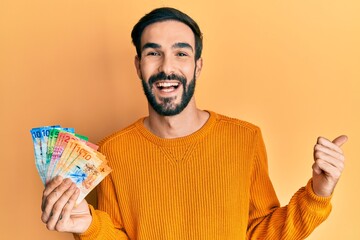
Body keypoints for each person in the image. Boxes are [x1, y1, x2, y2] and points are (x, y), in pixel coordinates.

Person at [41, 7, 348, 239]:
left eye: (181, 53)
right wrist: (89, 225)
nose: (167, 67)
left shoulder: (246, 138)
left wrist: (317, 193)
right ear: (138, 66)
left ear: (197, 66)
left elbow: (260, 234)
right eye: (153, 53)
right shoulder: (112, 150)